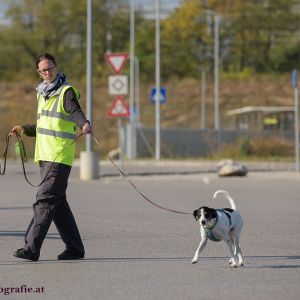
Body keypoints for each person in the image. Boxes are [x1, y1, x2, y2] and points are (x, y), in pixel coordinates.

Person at [10, 53, 91, 261]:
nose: (48, 72)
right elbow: (44, 126)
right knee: (58, 204)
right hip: (45, 158)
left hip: (60, 156)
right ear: (39, 72)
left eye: (51, 67)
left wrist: (83, 123)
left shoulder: (66, 91)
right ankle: (75, 248)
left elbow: (75, 110)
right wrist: (24, 129)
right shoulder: (42, 94)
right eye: (43, 70)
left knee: (44, 200)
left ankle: (31, 248)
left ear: (56, 66)